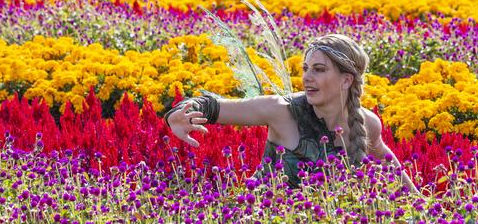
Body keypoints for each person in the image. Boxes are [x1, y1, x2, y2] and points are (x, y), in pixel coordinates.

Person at [164, 34, 415, 190]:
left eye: (318, 69)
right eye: (306, 68)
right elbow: (214, 106)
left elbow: (390, 164)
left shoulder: (366, 123)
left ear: (346, 80)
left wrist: (422, 209)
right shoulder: (282, 111)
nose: (307, 77)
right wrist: (177, 114)